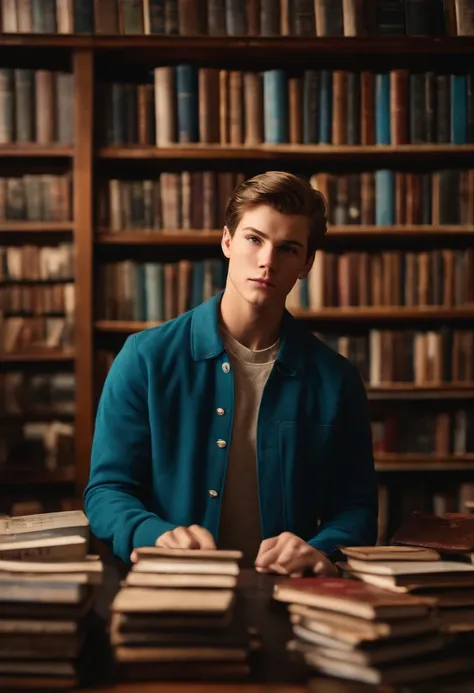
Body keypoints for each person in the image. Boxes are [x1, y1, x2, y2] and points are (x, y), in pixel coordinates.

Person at [84, 171, 378, 577]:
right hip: (173, 591)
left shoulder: (336, 379)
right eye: (254, 239)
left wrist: (321, 549)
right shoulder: (144, 358)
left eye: (288, 248)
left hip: (289, 597)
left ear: (307, 263)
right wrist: (153, 534)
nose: (267, 261)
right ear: (227, 241)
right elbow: (107, 492)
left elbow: (356, 509)